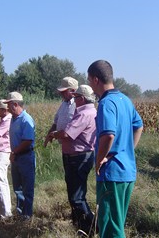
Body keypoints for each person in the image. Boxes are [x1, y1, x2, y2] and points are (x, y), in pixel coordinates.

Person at [87, 60, 143, 238]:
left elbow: (108, 135)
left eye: (89, 80)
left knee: (110, 227)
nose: (89, 84)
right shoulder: (124, 100)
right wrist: (128, 150)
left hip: (112, 173)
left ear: (96, 79)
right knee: (116, 223)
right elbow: (138, 126)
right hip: (127, 171)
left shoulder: (106, 103)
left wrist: (99, 159)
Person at [48, 85, 96, 235]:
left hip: (78, 157)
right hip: (78, 156)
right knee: (75, 192)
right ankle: (79, 223)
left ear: (81, 98)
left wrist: (54, 134)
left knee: (77, 196)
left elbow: (67, 134)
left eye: (76, 97)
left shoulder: (84, 114)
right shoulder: (89, 111)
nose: (74, 100)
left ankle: (89, 227)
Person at [4, 92, 36, 219]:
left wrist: (15, 152)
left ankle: (27, 215)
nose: (7, 107)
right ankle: (20, 212)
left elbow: (28, 140)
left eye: (9, 104)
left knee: (27, 187)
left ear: (15, 104)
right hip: (17, 157)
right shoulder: (14, 119)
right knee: (18, 187)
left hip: (25, 156)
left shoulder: (25, 119)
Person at [44, 76, 79, 148]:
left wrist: (55, 134)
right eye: (61, 92)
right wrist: (49, 135)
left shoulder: (79, 104)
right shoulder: (64, 104)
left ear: (73, 90)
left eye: (64, 91)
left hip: (77, 148)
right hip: (65, 147)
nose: (61, 94)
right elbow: (56, 122)